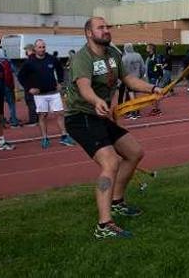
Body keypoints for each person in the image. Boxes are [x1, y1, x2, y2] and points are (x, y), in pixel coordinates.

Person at [63, 16, 163, 239]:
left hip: (101, 116)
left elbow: (128, 80)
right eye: (101, 28)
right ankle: (104, 225)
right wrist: (96, 101)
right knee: (111, 162)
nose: (107, 30)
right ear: (89, 33)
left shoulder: (114, 54)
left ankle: (117, 201)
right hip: (81, 116)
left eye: (107, 27)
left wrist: (152, 88)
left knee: (135, 152)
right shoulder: (82, 58)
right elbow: (84, 86)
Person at [18, 39, 74, 149]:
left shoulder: (51, 59)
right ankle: (45, 138)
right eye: (39, 47)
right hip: (40, 95)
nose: (42, 49)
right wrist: (29, 88)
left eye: (43, 47)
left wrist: (60, 82)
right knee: (42, 116)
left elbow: (60, 70)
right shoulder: (29, 62)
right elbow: (21, 76)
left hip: (53, 92)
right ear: (35, 49)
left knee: (60, 113)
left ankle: (64, 136)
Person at [0, 48, 20, 127]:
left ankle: (1, 121)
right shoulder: (8, 62)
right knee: (11, 104)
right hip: (8, 86)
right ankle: (13, 120)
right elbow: (16, 72)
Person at [119, 44, 143, 120]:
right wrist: (140, 75)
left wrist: (121, 80)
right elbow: (143, 67)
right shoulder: (138, 55)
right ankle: (137, 112)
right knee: (134, 95)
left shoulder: (124, 58)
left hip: (129, 79)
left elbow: (122, 71)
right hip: (137, 78)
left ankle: (134, 113)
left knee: (131, 95)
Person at [142, 44, 164, 115]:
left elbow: (159, 66)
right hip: (151, 77)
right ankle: (155, 108)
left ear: (151, 49)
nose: (146, 48)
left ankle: (156, 109)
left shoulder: (156, 57)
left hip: (155, 77)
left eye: (147, 47)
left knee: (155, 93)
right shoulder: (149, 57)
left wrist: (159, 75)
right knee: (152, 93)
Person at [22, 44, 39, 127]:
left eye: (26, 50)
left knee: (30, 102)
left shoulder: (29, 61)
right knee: (35, 102)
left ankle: (33, 120)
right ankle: (37, 119)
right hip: (36, 84)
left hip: (30, 85)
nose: (25, 52)